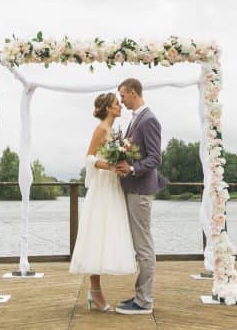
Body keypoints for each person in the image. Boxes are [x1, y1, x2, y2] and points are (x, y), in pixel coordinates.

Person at [68, 92, 137, 312]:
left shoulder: (116, 132)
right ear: (108, 108)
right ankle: (95, 293)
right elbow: (89, 157)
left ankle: (94, 293)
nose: (121, 107)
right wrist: (108, 166)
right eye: (117, 104)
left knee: (109, 235)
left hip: (113, 187)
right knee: (97, 236)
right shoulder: (100, 130)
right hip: (102, 188)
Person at [113, 78, 167, 315]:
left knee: (144, 247)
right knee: (140, 245)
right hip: (133, 189)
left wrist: (133, 169)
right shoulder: (136, 119)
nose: (121, 101)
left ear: (133, 93)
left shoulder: (149, 120)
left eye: (123, 96)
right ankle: (139, 295)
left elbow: (156, 158)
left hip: (141, 191)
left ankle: (144, 301)